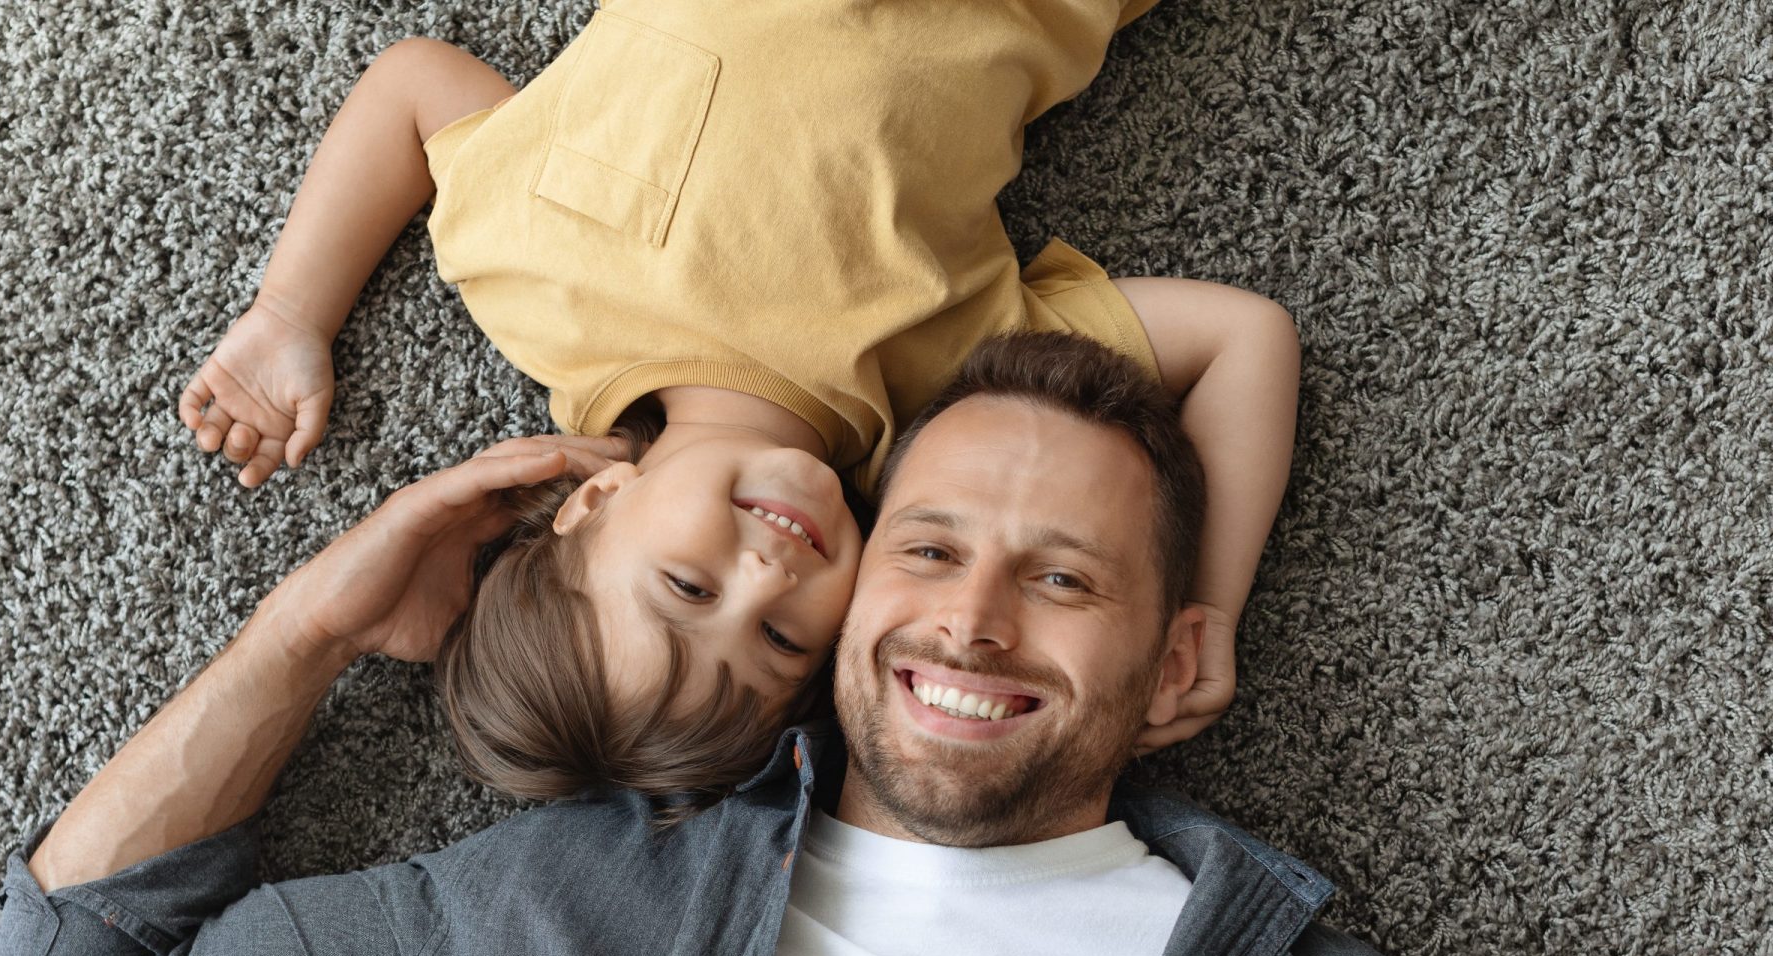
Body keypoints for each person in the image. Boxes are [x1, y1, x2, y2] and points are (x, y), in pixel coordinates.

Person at [0, 331, 1520, 956]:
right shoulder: (524, 921)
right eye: (923, 551)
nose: (971, 621)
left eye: (1060, 579)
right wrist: (306, 629)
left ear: (1180, 654)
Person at [177, 0, 1302, 805]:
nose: (766, 573)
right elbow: (1243, 341)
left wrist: (290, 313)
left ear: (594, 501)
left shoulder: (536, 289)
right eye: (775, 636)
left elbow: (417, 85)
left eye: (686, 585)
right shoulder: (950, 396)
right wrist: (1199, 608)